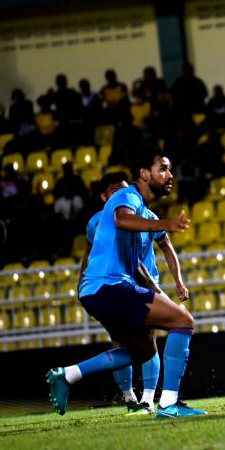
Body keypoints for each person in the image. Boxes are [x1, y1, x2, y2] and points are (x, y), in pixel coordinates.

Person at [46, 147, 204, 419]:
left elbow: (136, 261)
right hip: (110, 287)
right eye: (163, 169)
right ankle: (167, 404)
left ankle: (68, 375)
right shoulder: (126, 196)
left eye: (170, 169)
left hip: (98, 291)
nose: (170, 175)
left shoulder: (141, 209)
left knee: (141, 350)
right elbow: (121, 219)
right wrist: (164, 224)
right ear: (144, 173)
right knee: (183, 321)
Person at [80, 172, 190, 414]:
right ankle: (130, 396)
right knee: (122, 341)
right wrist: (82, 283)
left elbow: (166, 247)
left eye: (124, 190)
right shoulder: (98, 222)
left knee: (149, 339)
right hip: (118, 285)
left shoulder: (146, 216)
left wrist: (176, 282)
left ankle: (147, 399)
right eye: (114, 192)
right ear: (103, 197)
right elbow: (90, 255)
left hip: (139, 285)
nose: (121, 196)